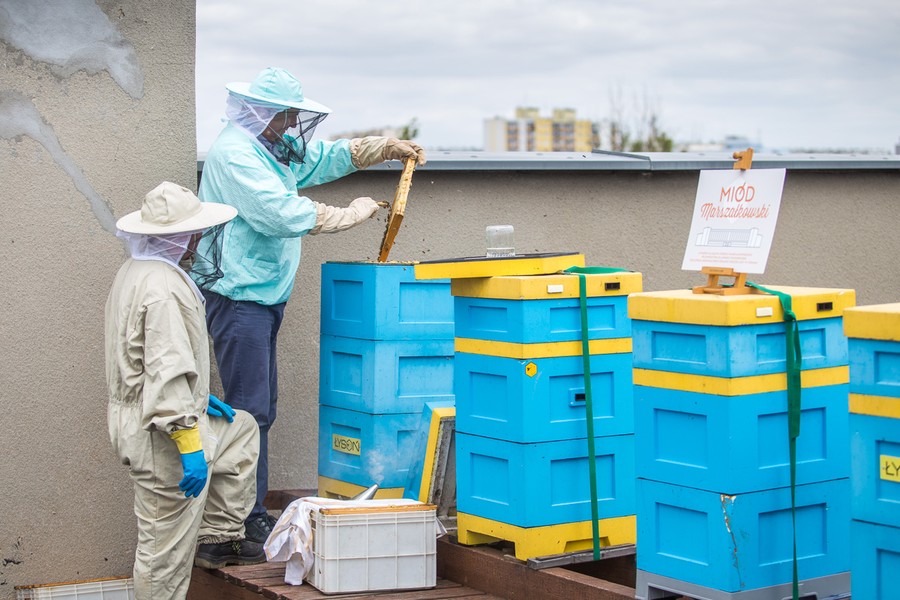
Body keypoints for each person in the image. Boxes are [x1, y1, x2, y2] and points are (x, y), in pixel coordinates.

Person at [194, 66, 427, 543]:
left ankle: (248, 513)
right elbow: (282, 214)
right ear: (263, 113)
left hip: (260, 295)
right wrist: (353, 213)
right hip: (239, 297)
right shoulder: (237, 155)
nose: (291, 126)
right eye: (285, 117)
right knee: (248, 412)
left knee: (260, 408)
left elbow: (321, 158)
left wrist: (380, 148)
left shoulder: (269, 147)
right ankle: (242, 521)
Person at [106, 182, 266, 600]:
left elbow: (146, 360)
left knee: (241, 429)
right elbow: (168, 369)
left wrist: (198, 399)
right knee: (163, 556)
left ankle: (216, 538)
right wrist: (188, 440)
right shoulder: (163, 290)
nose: (199, 242)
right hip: (163, 434)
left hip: (156, 412)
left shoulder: (137, 271)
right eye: (194, 234)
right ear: (178, 237)